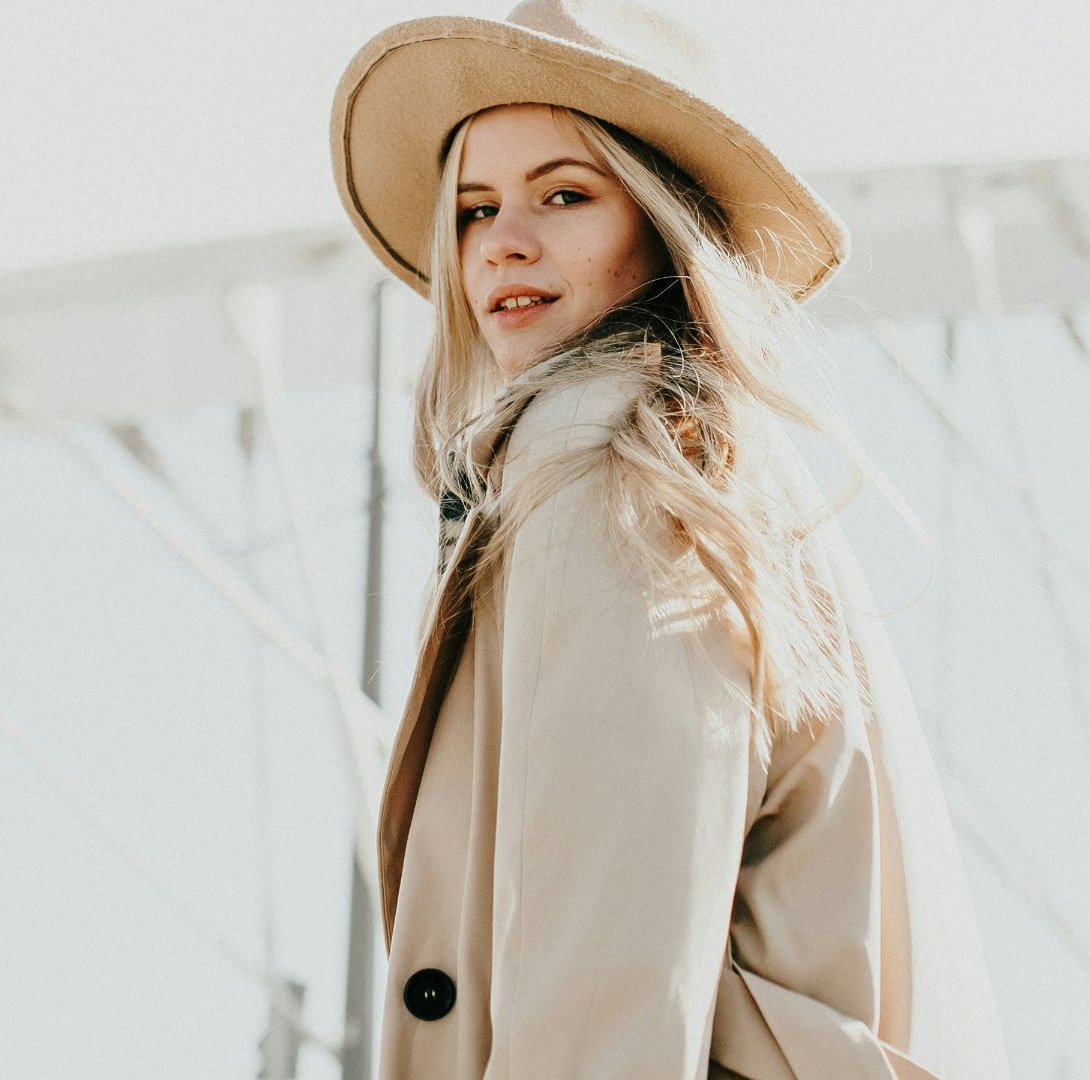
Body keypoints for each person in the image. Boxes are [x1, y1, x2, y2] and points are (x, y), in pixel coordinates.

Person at [329, 3, 1015, 1078]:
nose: (505, 239)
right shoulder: (706, 468)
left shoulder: (608, 466)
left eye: (565, 194)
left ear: (660, 219)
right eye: (473, 208)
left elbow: (605, 968)